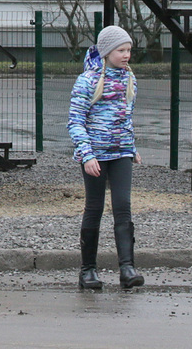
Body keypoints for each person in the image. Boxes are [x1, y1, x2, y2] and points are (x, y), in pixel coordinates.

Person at [68, 24, 144, 291]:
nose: (126, 55)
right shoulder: (87, 80)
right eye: (121, 50)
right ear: (107, 51)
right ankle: (88, 270)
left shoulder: (129, 79)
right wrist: (86, 155)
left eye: (129, 50)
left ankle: (127, 268)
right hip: (95, 155)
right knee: (95, 208)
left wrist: (131, 147)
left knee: (123, 206)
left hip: (121, 152)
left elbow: (125, 117)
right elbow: (76, 121)